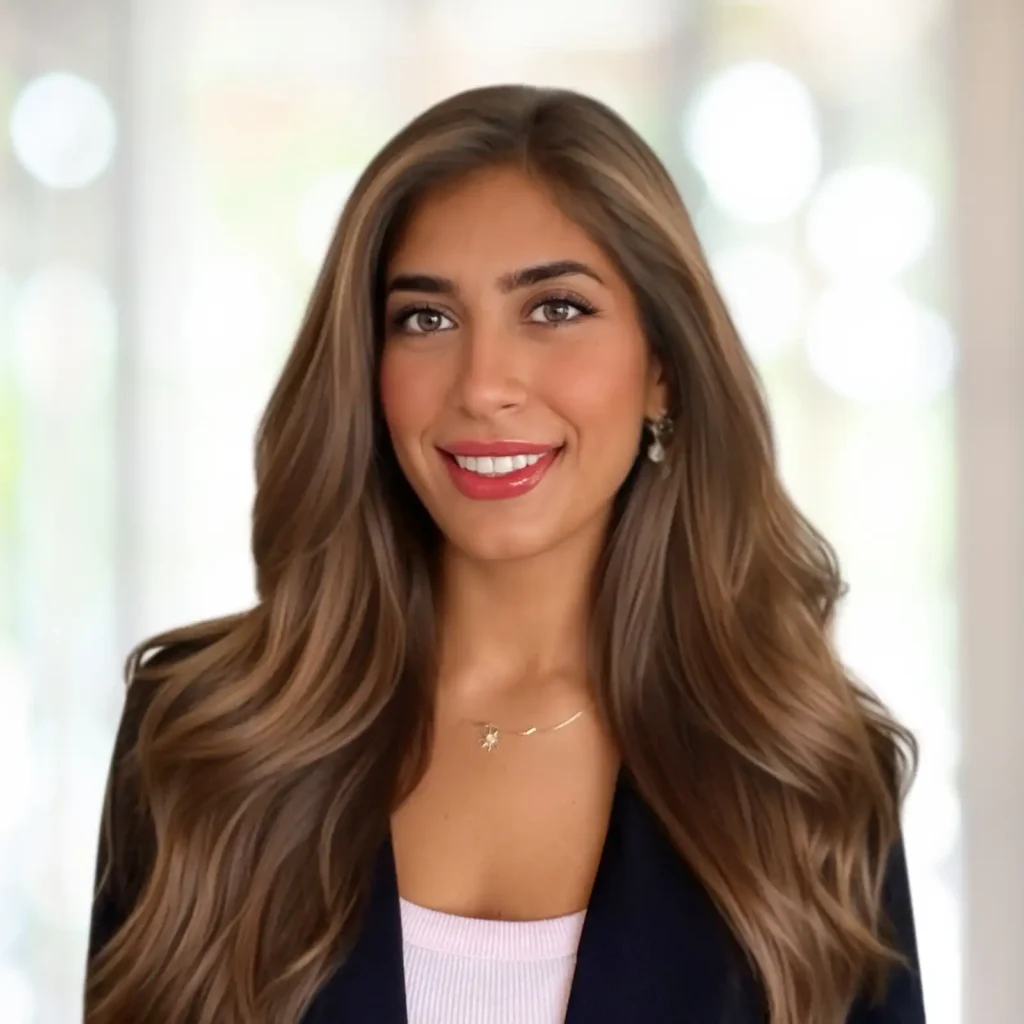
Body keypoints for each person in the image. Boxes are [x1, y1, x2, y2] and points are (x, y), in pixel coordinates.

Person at [84, 84, 926, 1024]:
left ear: (663, 368)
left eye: (556, 309)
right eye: (426, 320)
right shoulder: (207, 737)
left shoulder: (802, 771)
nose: (485, 385)